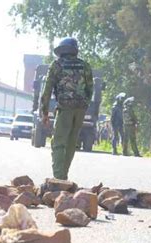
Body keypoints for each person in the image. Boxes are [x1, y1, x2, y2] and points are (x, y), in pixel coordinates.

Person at [41, 37, 93, 180]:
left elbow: (47, 90)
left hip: (65, 108)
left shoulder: (56, 65)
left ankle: (59, 177)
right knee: (71, 142)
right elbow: (90, 89)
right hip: (80, 108)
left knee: (58, 142)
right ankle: (64, 175)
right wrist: (85, 104)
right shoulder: (84, 65)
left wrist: (44, 112)